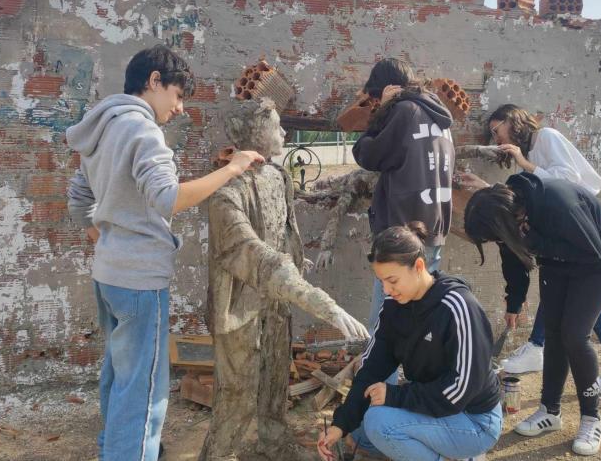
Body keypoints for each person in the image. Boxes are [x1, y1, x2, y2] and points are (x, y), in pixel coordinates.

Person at [66, 44, 265, 461]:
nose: (178, 108)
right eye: (177, 95)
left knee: (119, 374)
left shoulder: (100, 128)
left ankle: (113, 448)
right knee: (144, 393)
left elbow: (78, 200)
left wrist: (106, 241)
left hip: (109, 276)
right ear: (154, 81)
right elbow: (168, 198)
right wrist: (233, 168)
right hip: (139, 280)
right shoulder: (141, 131)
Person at [200, 98, 369, 460]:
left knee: (275, 380)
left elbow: (285, 232)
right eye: (276, 125)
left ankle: (274, 441)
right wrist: (320, 303)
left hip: (277, 301)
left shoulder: (278, 177)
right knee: (238, 393)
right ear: (253, 133)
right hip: (240, 307)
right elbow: (253, 254)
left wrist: (296, 258)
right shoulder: (226, 195)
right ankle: (219, 454)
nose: (283, 131)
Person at [463, 173, 601, 456]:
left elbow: (591, 249)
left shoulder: (556, 202)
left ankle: (591, 417)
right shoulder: (508, 218)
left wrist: (534, 243)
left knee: (574, 335)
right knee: (553, 333)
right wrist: (514, 301)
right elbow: (513, 258)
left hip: (597, 262)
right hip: (557, 262)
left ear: (502, 221)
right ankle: (550, 411)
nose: (496, 241)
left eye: (494, 236)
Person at [482, 103, 601, 395]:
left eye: (496, 130)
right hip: (564, 225)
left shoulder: (546, 137)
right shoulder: (532, 149)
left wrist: (525, 165)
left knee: (580, 311)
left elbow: (568, 181)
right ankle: (538, 347)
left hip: (581, 225)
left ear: (512, 121)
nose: (497, 138)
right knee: (557, 291)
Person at [317, 222, 502, 461]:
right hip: (436, 407)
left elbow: (463, 388)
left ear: (418, 266)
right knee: (360, 434)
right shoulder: (394, 306)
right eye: (381, 281)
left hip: (473, 418)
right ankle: (443, 450)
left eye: (392, 280)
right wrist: (339, 425)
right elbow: (371, 369)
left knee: (379, 423)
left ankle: (462, 455)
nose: (386, 289)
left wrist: (395, 397)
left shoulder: (457, 306)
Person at [352, 58, 455, 365]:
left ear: (387, 89)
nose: (374, 102)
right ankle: (419, 376)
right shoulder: (438, 116)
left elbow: (367, 153)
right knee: (421, 312)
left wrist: (382, 110)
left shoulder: (403, 111)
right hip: (433, 228)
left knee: (385, 319)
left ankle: (379, 393)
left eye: (376, 96)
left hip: (401, 232)